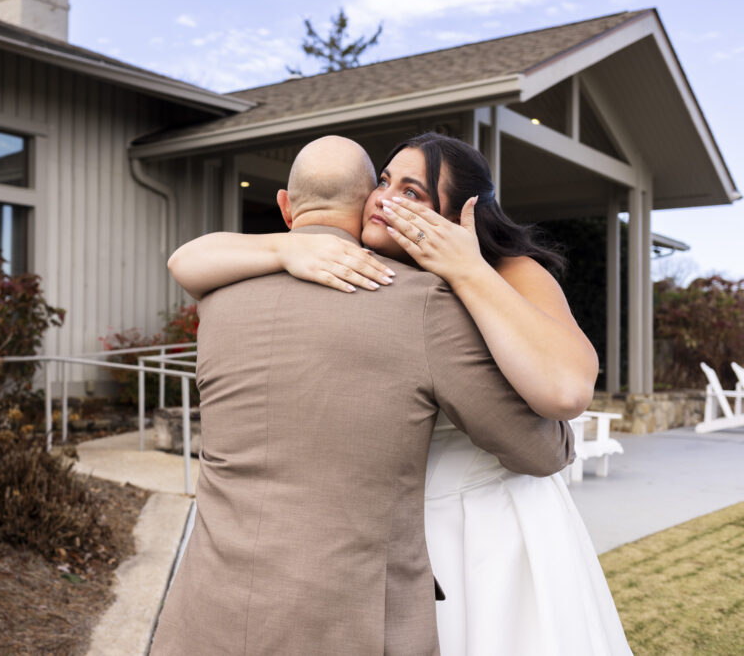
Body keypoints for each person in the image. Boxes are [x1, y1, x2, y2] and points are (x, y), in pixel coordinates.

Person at [166, 132, 632, 655]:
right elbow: (185, 259)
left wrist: (466, 268)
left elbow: (565, 393)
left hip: (479, 520)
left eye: (413, 193)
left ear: (461, 219)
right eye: (383, 182)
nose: (385, 199)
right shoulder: (375, 277)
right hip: (394, 524)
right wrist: (288, 245)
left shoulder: (503, 274)